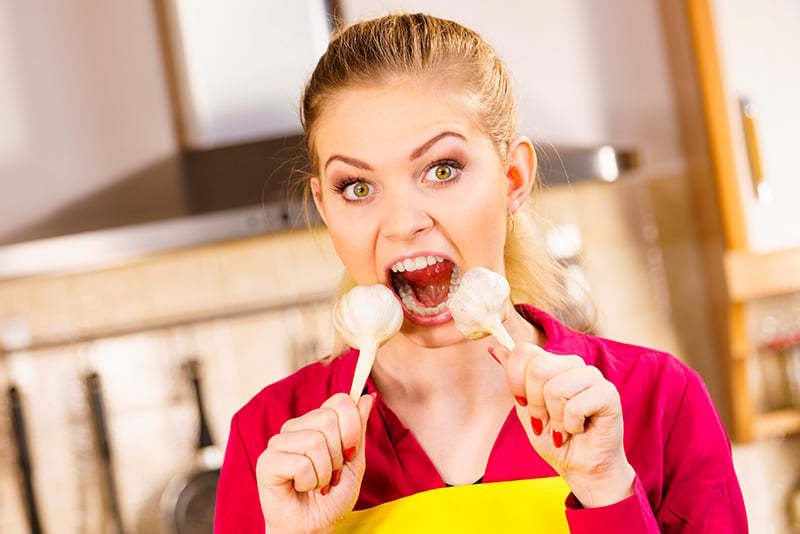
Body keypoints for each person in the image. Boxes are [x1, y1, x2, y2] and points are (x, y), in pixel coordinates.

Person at [214, 12, 747, 533]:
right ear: (325, 209)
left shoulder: (657, 402)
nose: (403, 224)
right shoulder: (268, 443)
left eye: (441, 170)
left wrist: (606, 489)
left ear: (513, 178)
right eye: (357, 187)